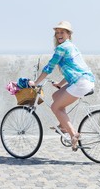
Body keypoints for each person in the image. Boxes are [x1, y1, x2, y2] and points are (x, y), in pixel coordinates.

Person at [29, 21, 95, 151]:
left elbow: (49, 67)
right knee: (56, 95)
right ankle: (64, 126)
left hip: (81, 83)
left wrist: (36, 83)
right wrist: (60, 84)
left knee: (55, 107)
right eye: (57, 32)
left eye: (62, 32)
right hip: (85, 79)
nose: (59, 34)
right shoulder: (71, 46)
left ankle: (73, 134)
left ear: (69, 34)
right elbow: (74, 70)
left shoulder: (62, 48)